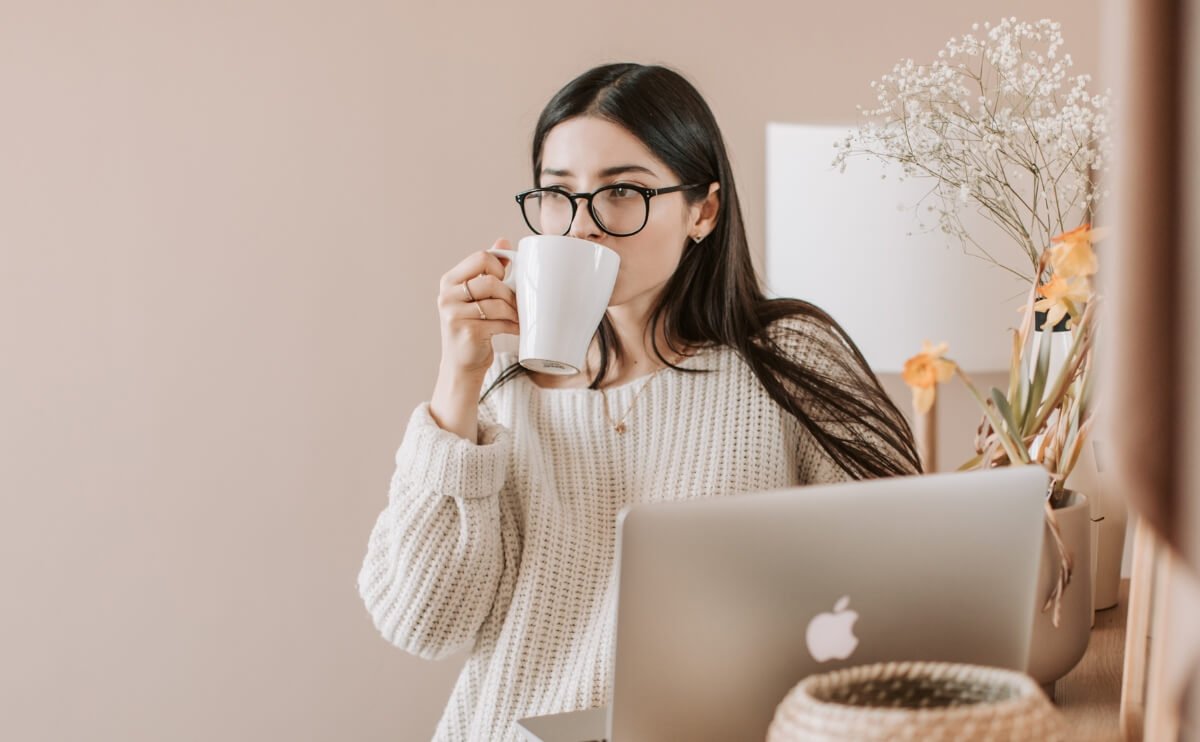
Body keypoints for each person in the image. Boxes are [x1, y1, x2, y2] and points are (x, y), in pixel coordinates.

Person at [357, 63, 921, 742]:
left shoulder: (786, 359)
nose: (583, 226)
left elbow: (906, 584)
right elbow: (423, 624)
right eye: (558, 194)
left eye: (622, 191)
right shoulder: (504, 402)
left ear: (703, 211)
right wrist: (459, 377)